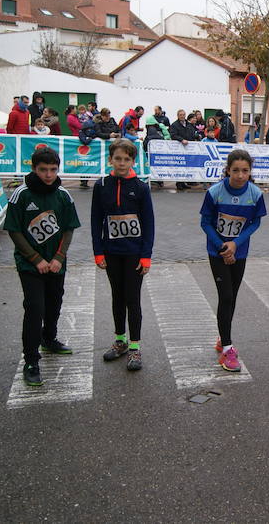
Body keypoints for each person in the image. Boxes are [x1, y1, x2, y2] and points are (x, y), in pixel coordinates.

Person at [3, 147, 81, 387]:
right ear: (34, 169)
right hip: (30, 265)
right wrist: (36, 259)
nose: (48, 174)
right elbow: (14, 231)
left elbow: (68, 229)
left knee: (54, 303)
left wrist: (58, 257)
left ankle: (49, 339)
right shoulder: (21, 194)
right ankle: (31, 361)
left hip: (57, 263)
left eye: (53, 170)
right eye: (43, 170)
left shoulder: (63, 195)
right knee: (35, 308)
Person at [201, 149, 267, 372]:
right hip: (218, 251)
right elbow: (206, 223)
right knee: (226, 296)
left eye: (245, 171)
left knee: (232, 297)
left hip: (239, 252)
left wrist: (235, 244)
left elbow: (255, 223)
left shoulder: (255, 194)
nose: (240, 175)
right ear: (228, 170)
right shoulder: (215, 192)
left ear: (250, 172)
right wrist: (223, 246)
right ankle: (228, 348)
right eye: (236, 170)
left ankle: (223, 337)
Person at [92, 139, 155, 372]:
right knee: (117, 297)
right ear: (110, 159)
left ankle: (135, 346)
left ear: (133, 161)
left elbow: (149, 223)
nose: (122, 163)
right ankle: (120, 340)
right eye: (117, 158)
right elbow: (95, 219)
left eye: (126, 159)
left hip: (134, 253)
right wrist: (98, 251)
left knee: (132, 298)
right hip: (111, 252)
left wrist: (146, 255)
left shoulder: (140, 187)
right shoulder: (101, 185)